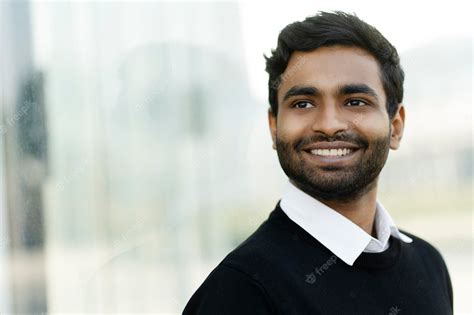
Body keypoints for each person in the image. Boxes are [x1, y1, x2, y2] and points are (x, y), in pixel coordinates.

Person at [183, 11, 453, 314]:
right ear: (274, 127)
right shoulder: (239, 292)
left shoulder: (429, 264)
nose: (328, 125)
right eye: (303, 104)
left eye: (355, 101)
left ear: (396, 126)